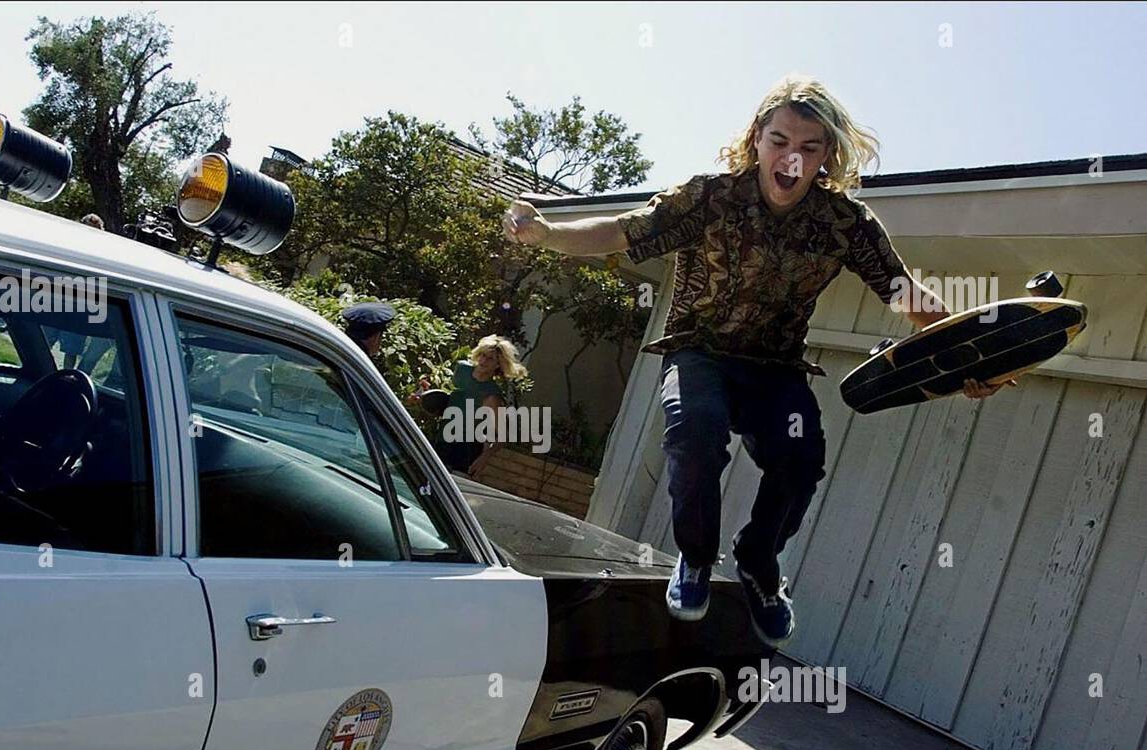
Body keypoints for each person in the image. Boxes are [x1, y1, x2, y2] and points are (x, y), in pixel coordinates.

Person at [503, 75, 1007, 643]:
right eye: (779, 141)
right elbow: (623, 232)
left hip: (774, 368)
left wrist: (969, 353)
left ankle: (759, 563)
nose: (791, 159)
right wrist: (546, 232)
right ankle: (694, 558)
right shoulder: (711, 196)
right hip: (700, 354)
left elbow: (904, 293)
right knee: (696, 433)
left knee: (799, 459)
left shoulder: (845, 223)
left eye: (809, 149)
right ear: (756, 140)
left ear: (826, 157)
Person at [426, 335, 527, 478]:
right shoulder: (461, 370)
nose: (484, 361)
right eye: (483, 355)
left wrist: (484, 458)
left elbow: (503, 435)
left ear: (498, 365)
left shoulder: (491, 395)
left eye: (490, 358)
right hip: (441, 438)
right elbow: (442, 396)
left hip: (466, 450)